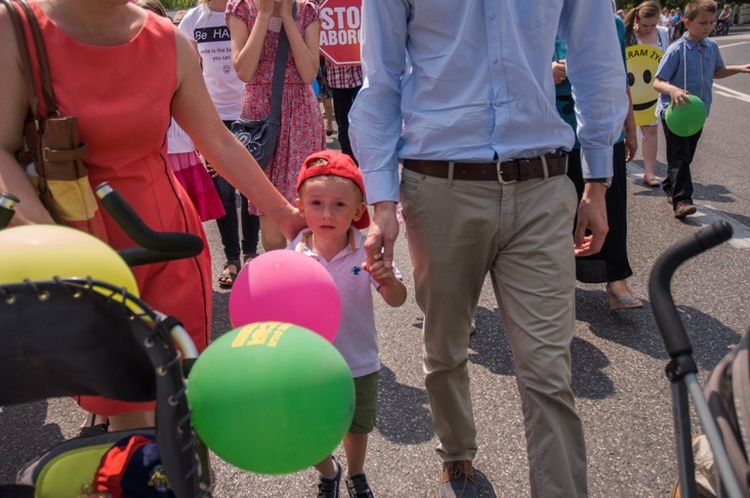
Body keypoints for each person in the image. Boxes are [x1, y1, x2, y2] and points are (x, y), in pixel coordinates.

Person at [349, 1, 628, 496]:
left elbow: (595, 54)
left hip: (542, 181)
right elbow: (382, 78)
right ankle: (456, 452)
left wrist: (599, 181)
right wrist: (382, 202)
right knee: (446, 345)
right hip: (439, 182)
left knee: (549, 370)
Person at [0, 0, 304, 431]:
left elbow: (217, 141)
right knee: (125, 413)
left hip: (167, 249)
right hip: (80, 258)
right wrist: (53, 249)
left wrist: (284, 213)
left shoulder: (170, 41)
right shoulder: (17, 28)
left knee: (172, 413)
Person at [291, 150, 407, 498]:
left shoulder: (365, 251)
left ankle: (356, 473)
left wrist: (387, 279)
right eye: (316, 203)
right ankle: (329, 472)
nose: (327, 214)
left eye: (340, 205)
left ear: (359, 211)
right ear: (300, 206)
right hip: (306, 365)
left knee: (357, 428)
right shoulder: (291, 255)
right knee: (309, 430)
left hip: (358, 361)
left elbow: (398, 299)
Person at [554, 16, 642, 311]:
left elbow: (619, 78)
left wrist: (630, 127)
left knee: (611, 210)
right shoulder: (537, 16)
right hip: (556, 133)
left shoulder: (612, 24)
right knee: (556, 216)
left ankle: (616, 281)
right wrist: (548, 72)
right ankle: (558, 285)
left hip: (606, 134)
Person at [228, 0, 326, 251]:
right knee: (270, 222)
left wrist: (287, 18)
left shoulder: (306, 9)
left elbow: (308, 74)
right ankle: (281, 279)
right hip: (261, 120)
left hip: (302, 119)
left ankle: (309, 280)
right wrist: (262, 15)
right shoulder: (241, 8)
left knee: (307, 211)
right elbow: (245, 70)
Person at [178, 0, 262, 288]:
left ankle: (251, 253)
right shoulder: (192, 20)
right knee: (223, 193)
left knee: (251, 189)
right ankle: (232, 259)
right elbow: (191, 76)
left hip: (250, 114)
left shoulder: (246, 10)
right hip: (213, 118)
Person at [653, 0, 750, 219]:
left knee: (686, 156)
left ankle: (670, 184)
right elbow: (658, 82)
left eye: (712, 22)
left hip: (697, 114)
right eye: (703, 22)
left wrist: (740, 68)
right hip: (675, 113)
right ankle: (682, 201)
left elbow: (717, 71)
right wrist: (673, 91)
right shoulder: (676, 50)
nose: (709, 27)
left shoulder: (711, 47)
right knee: (679, 156)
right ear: (687, 23)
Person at [624, 1, 671, 187]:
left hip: (651, 92)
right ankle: (619, 166)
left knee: (650, 131)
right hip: (628, 90)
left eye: (652, 24)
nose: (648, 29)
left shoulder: (663, 34)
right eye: (644, 25)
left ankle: (649, 172)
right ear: (637, 19)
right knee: (622, 131)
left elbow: (666, 59)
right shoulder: (628, 34)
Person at [323, 59, 363, 164]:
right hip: (338, 80)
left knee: (365, 123)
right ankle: (349, 163)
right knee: (344, 126)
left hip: (360, 77)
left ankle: (366, 161)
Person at [317, 56, 335, 137]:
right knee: (314, 104)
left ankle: (329, 123)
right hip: (313, 64)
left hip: (325, 68)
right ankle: (316, 127)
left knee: (327, 104)